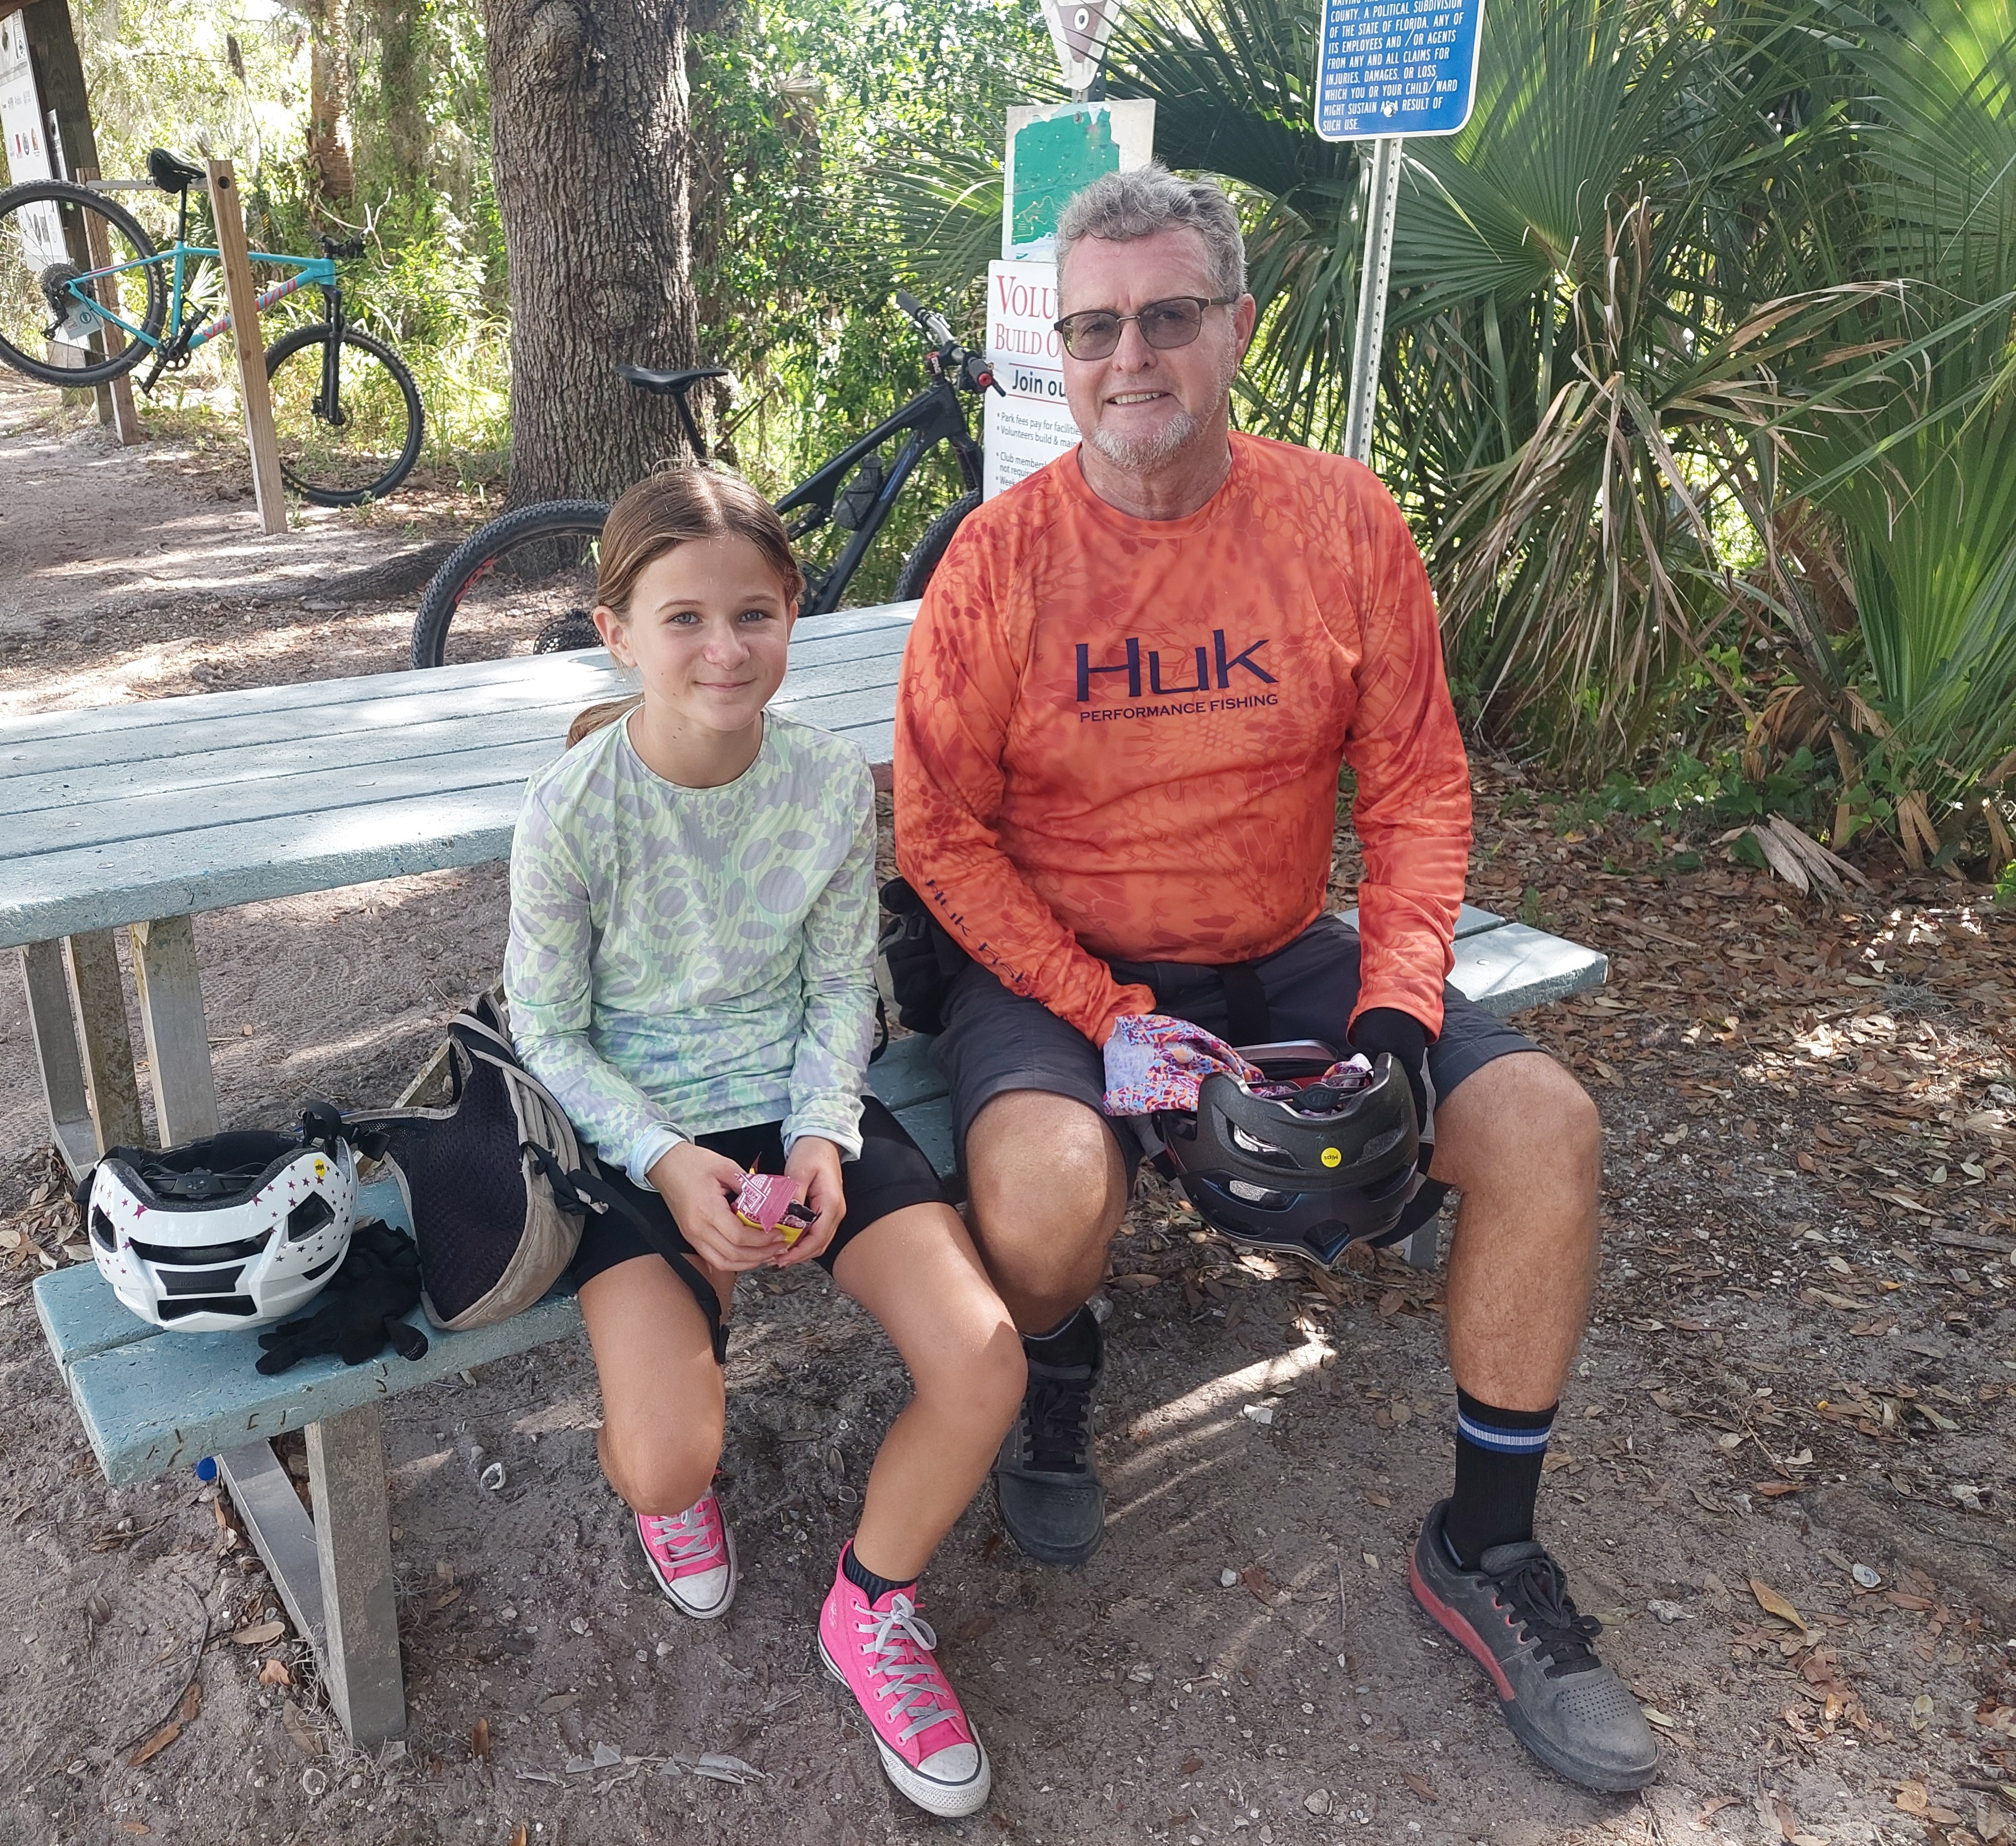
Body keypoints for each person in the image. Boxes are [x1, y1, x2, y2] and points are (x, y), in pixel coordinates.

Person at [891, 167, 1659, 1794]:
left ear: (1238, 325)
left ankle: (1484, 1545)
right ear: (1056, 349)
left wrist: (1394, 1013)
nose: (1129, 357)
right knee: (1042, 1199)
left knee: (1546, 1131)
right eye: (1092, 328)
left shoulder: (1340, 520)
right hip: (1059, 966)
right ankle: (1057, 1358)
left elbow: (1418, 786)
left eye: (1167, 315)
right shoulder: (998, 558)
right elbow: (938, 832)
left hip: (1279, 948)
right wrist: (1105, 1013)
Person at [503, 467, 1024, 1820]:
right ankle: (672, 1459)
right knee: (665, 1458)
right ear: (616, 633)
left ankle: (871, 1606)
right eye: (683, 618)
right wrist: (667, 1162)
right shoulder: (571, 811)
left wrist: (822, 1137)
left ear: (793, 613)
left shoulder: (826, 783)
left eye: (753, 613)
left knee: (983, 1361)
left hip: (798, 1106)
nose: (724, 649)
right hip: (640, 1128)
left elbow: (842, 985)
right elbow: (547, 1031)